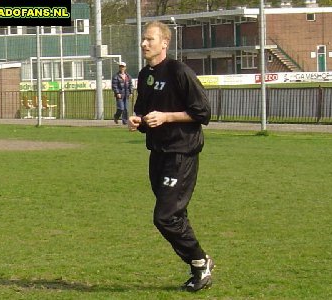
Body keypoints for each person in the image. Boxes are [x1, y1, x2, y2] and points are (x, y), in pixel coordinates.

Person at [128, 21, 214, 292]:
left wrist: (167, 117)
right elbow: (143, 114)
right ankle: (198, 269)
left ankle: (200, 261)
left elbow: (203, 113)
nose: (144, 44)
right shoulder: (144, 75)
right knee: (174, 215)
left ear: (164, 43)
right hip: (158, 153)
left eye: (149, 39)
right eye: (143, 39)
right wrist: (136, 121)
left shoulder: (179, 71)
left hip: (181, 153)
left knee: (165, 217)